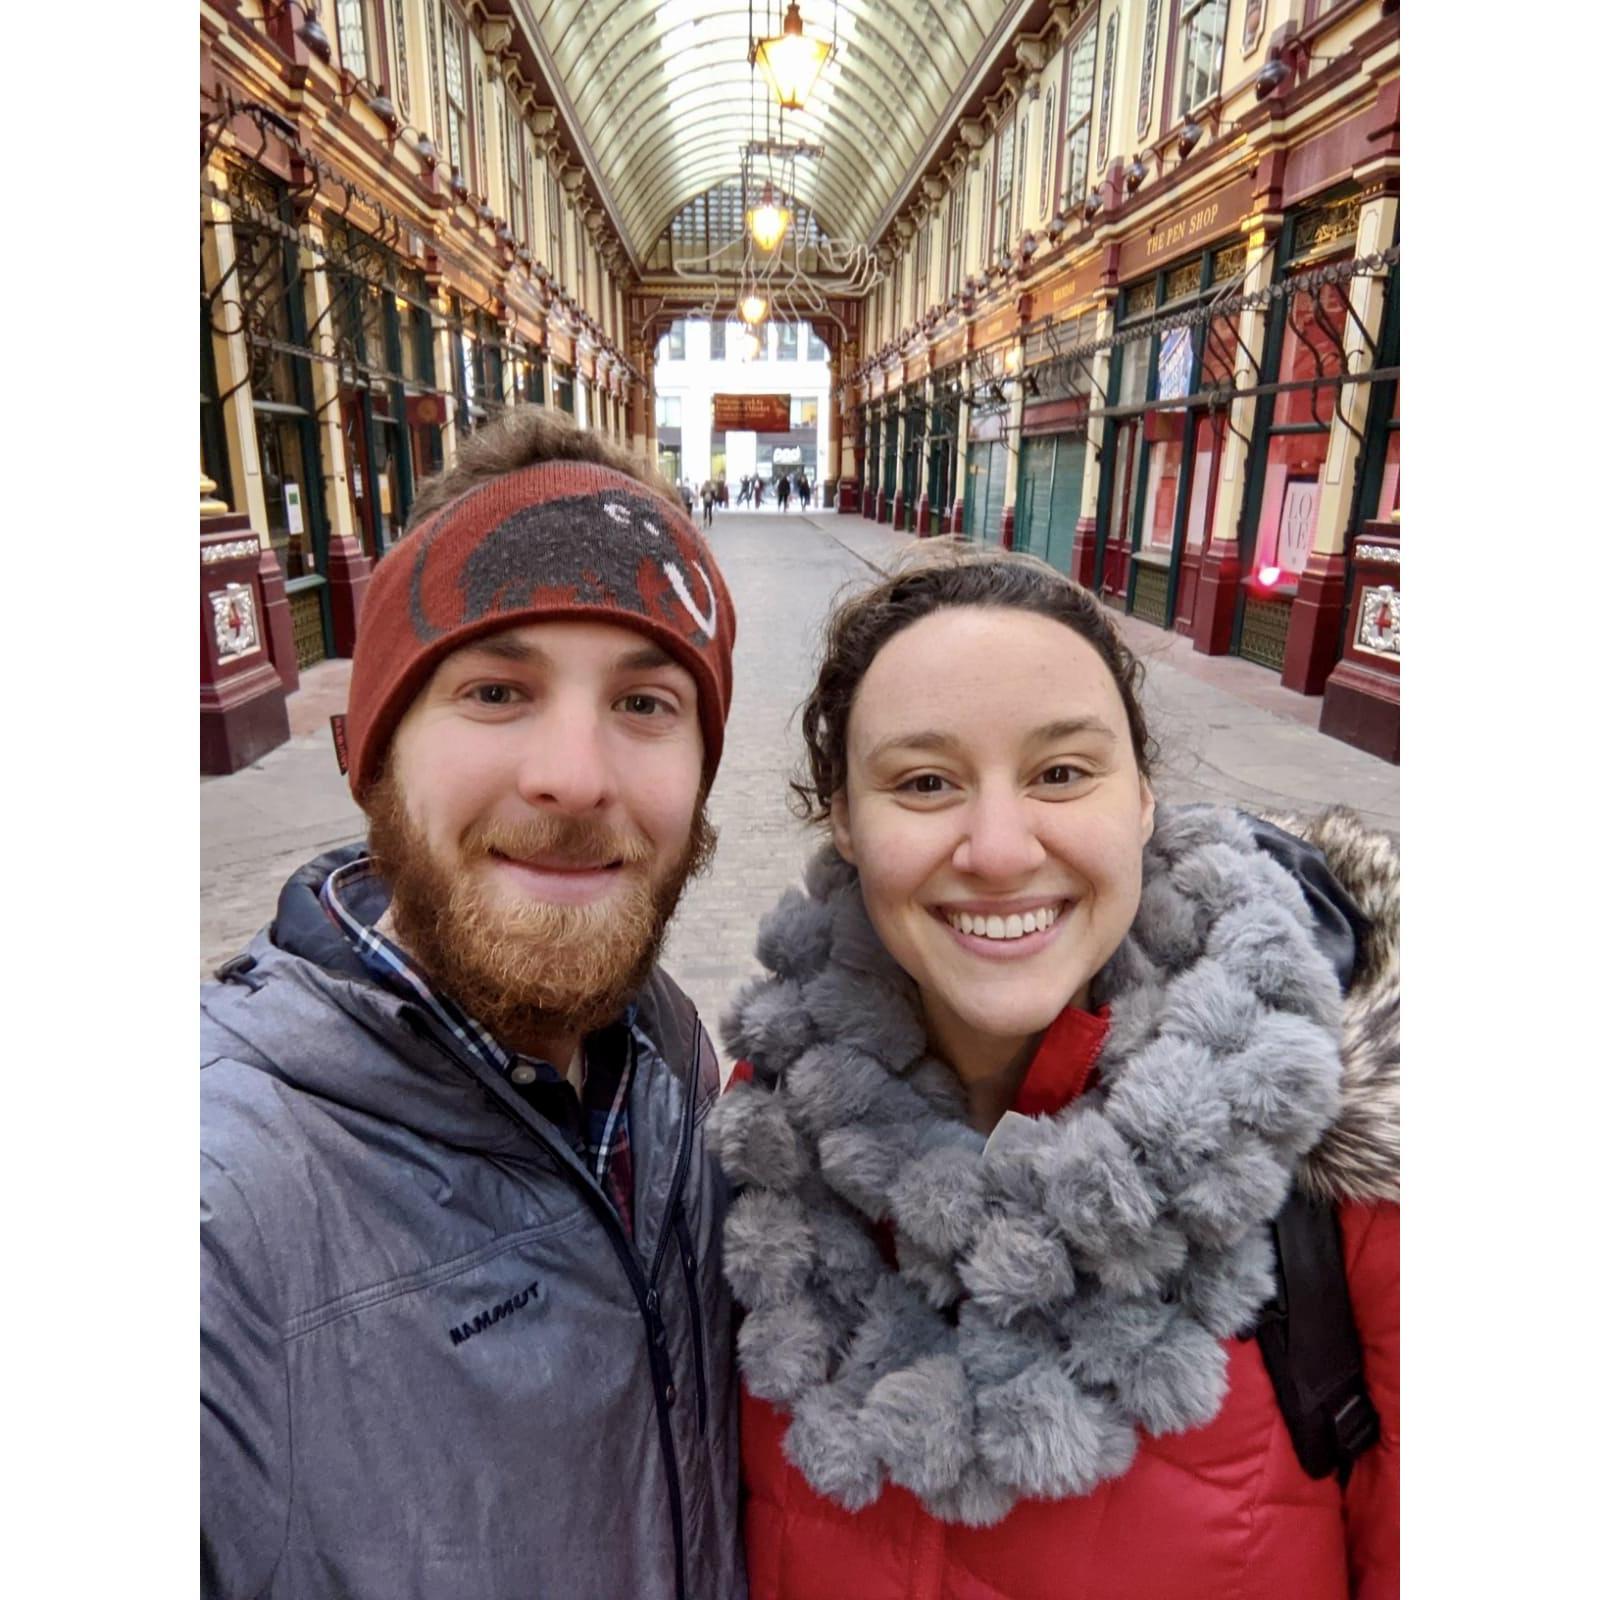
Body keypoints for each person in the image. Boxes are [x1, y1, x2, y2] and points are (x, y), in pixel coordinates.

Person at [711, 543, 1398, 1600]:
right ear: (842, 818)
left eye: (1062, 772)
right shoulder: (761, 1139)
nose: (996, 847)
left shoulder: (1346, 1177)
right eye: (925, 781)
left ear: (1142, 801)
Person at [201, 406, 745, 1600]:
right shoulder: (213, 1220)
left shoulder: (667, 1062)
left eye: (646, 703)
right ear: (379, 750)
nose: (574, 774)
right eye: (498, 691)